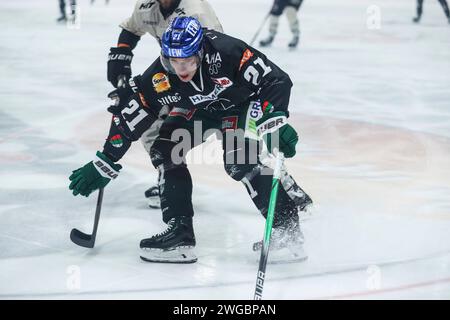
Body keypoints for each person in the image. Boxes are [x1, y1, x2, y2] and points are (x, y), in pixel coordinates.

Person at [69, 17, 312, 264]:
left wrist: (274, 118)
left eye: (187, 60)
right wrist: (107, 159)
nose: (181, 69)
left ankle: (287, 229)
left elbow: (275, 79)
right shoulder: (160, 76)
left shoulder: (228, 52)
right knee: (165, 150)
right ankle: (180, 234)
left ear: (201, 51)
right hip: (199, 110)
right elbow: (133, 114)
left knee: (241, 161)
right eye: (173, 61)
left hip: (241, 107)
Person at [107, 0, 223, 208]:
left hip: (212, 83)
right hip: (176, 78)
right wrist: (121, 61)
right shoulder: (146, 7)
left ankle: (282, 185)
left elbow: (214, 56)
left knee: (238, 141)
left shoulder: (196, 12)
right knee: (150, 126)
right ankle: (169, 181)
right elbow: (130, 30)